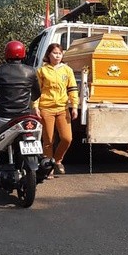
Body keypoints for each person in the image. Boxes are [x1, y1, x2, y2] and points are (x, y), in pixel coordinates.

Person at [0, 41, 41, 176]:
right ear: (23, 54)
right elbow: (37, 93)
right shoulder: (31, 71)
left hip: (4, 117)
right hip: (24, 117)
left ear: (6, 54)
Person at [33, 43, 79, 177]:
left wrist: (74, 106)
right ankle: (48, 168)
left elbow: (72, 89)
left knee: (67, 138)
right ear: (48, 55)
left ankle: (57, 160)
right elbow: (36, 91)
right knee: (48, 140)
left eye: (59, 53)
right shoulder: (42, 71)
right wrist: (35, 107)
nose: (57, 56)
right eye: (54, 53)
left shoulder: (67, 70)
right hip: (46, 108)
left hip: (62, 109)